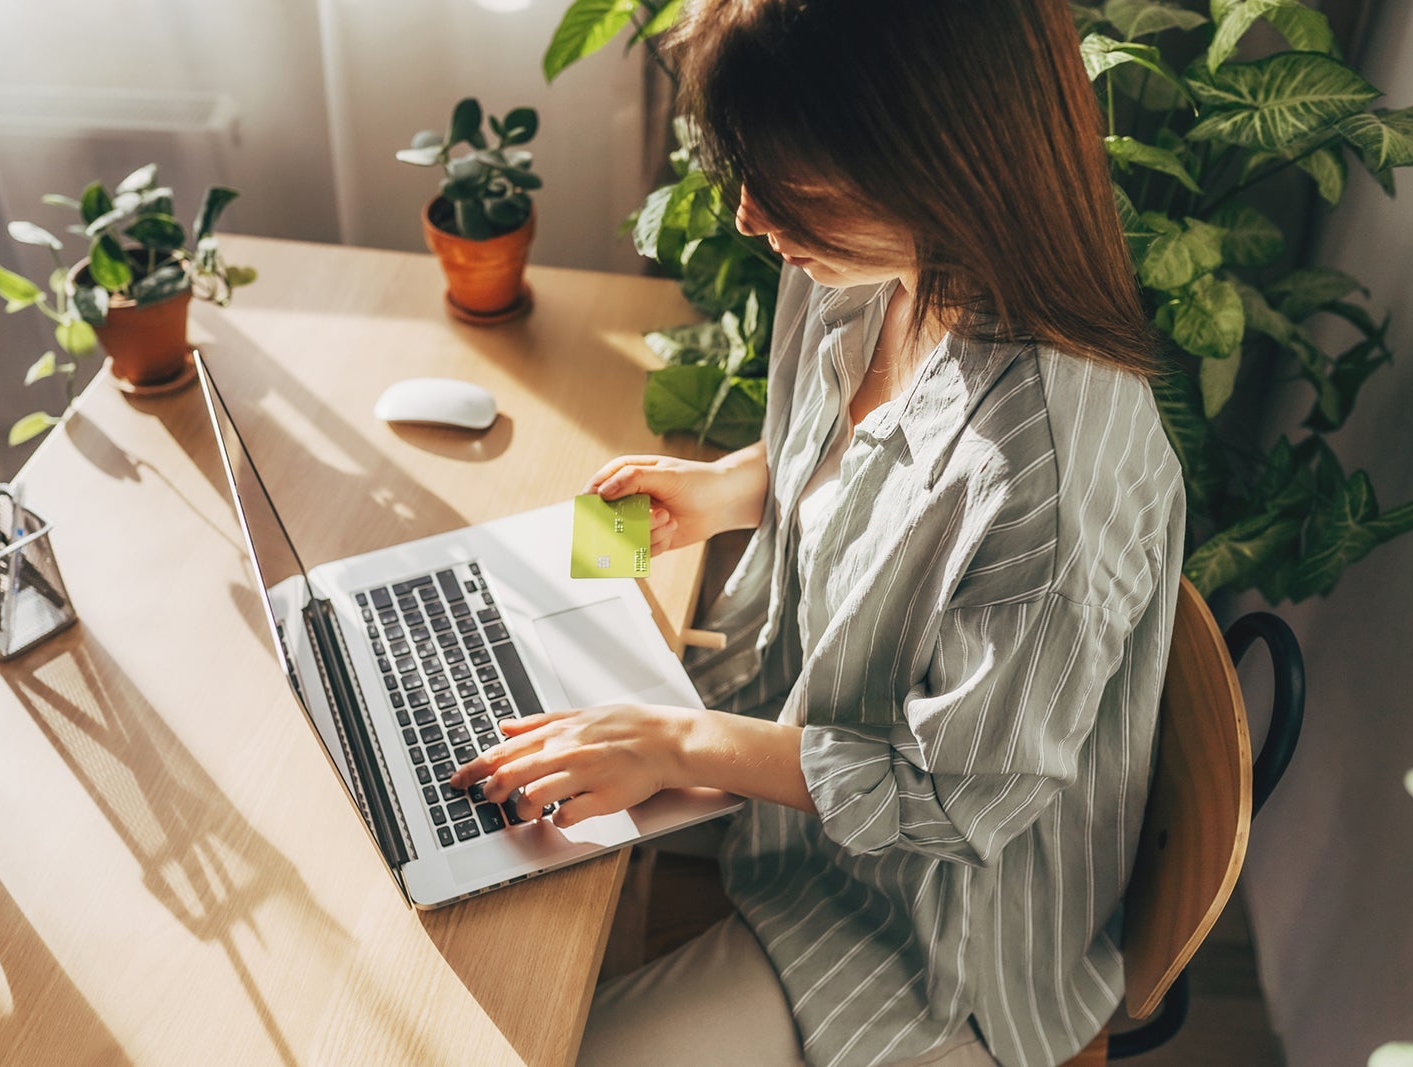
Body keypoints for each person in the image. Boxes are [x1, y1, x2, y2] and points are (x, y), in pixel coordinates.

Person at [449, 0, 1185, 1063]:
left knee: (553, 1040)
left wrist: (680, 743)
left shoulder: (1053, 483)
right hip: (790, 780)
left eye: (792, 189)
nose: (751, 219)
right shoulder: (865, 270)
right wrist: (731, 488)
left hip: (936, 932)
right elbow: (862, 456)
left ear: (941, 168)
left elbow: (953, 797)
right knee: (489, 842)